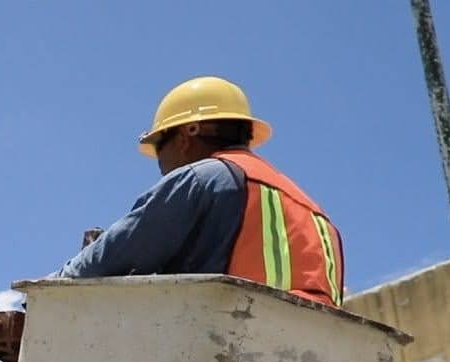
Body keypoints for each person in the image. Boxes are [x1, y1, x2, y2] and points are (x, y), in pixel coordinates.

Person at [55, 76, 344, 308]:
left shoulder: (204, 178)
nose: (160, 166)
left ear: (185, 135)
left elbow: (112, 257)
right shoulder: (320, 218)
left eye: (159, 149)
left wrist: (43, 294)